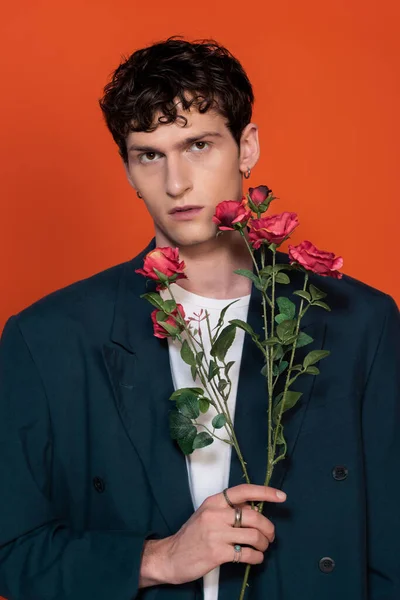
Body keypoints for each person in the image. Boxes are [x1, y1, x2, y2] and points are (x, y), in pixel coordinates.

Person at [0, 35, 399, 600]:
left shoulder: (362, 325)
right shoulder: (48, 337)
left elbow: (391, 553)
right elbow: (11, 553)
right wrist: (157, 558)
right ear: (128, 170)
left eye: (199, 145)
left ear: (247, 147)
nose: (176, 183)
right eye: (150, 155)